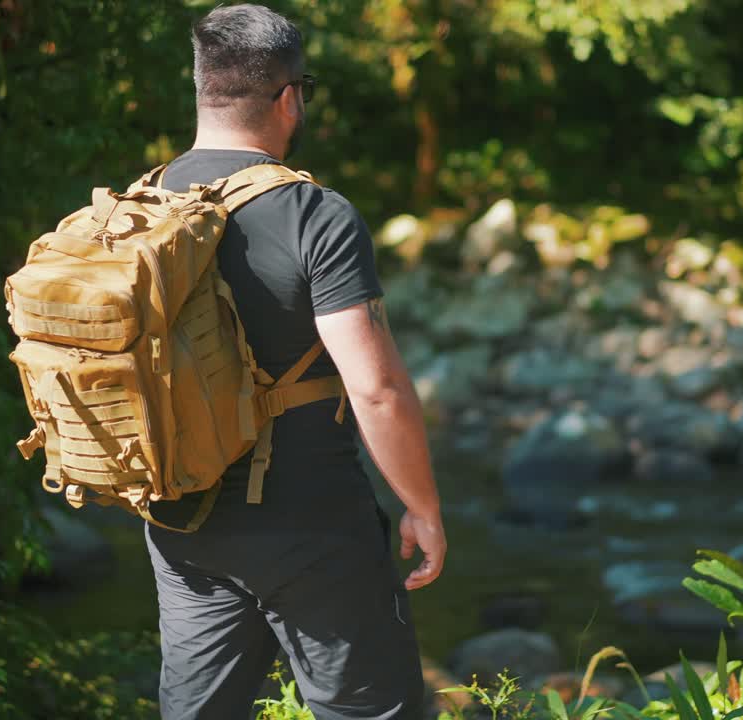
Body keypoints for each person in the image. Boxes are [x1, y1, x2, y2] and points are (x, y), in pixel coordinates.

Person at [143, 5, 446, 719]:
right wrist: (422, 506)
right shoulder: (316, 213)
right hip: (312, 522)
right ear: (289, 97)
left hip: (180, 516)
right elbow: (375, 389)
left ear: (203, 89)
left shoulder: (140, 207)